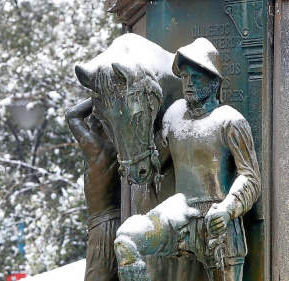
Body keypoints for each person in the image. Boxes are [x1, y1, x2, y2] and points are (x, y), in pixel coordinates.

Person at [114, 38, 260, 281]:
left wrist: (227, 209)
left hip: (218, 223)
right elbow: (154, 163)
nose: (188, 83)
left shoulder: (230, 121)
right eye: (184, 77)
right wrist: (131, 143)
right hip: (180, 215)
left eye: (196, 77)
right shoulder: (174, 115)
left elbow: (251, 177)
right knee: (127, 240)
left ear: (214, 81)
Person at [66, 98, 121, 281]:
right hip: (124, 219)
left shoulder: (96, 149)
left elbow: (72, 115)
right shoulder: (123, 150)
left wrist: (99, 94)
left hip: (102, 227)